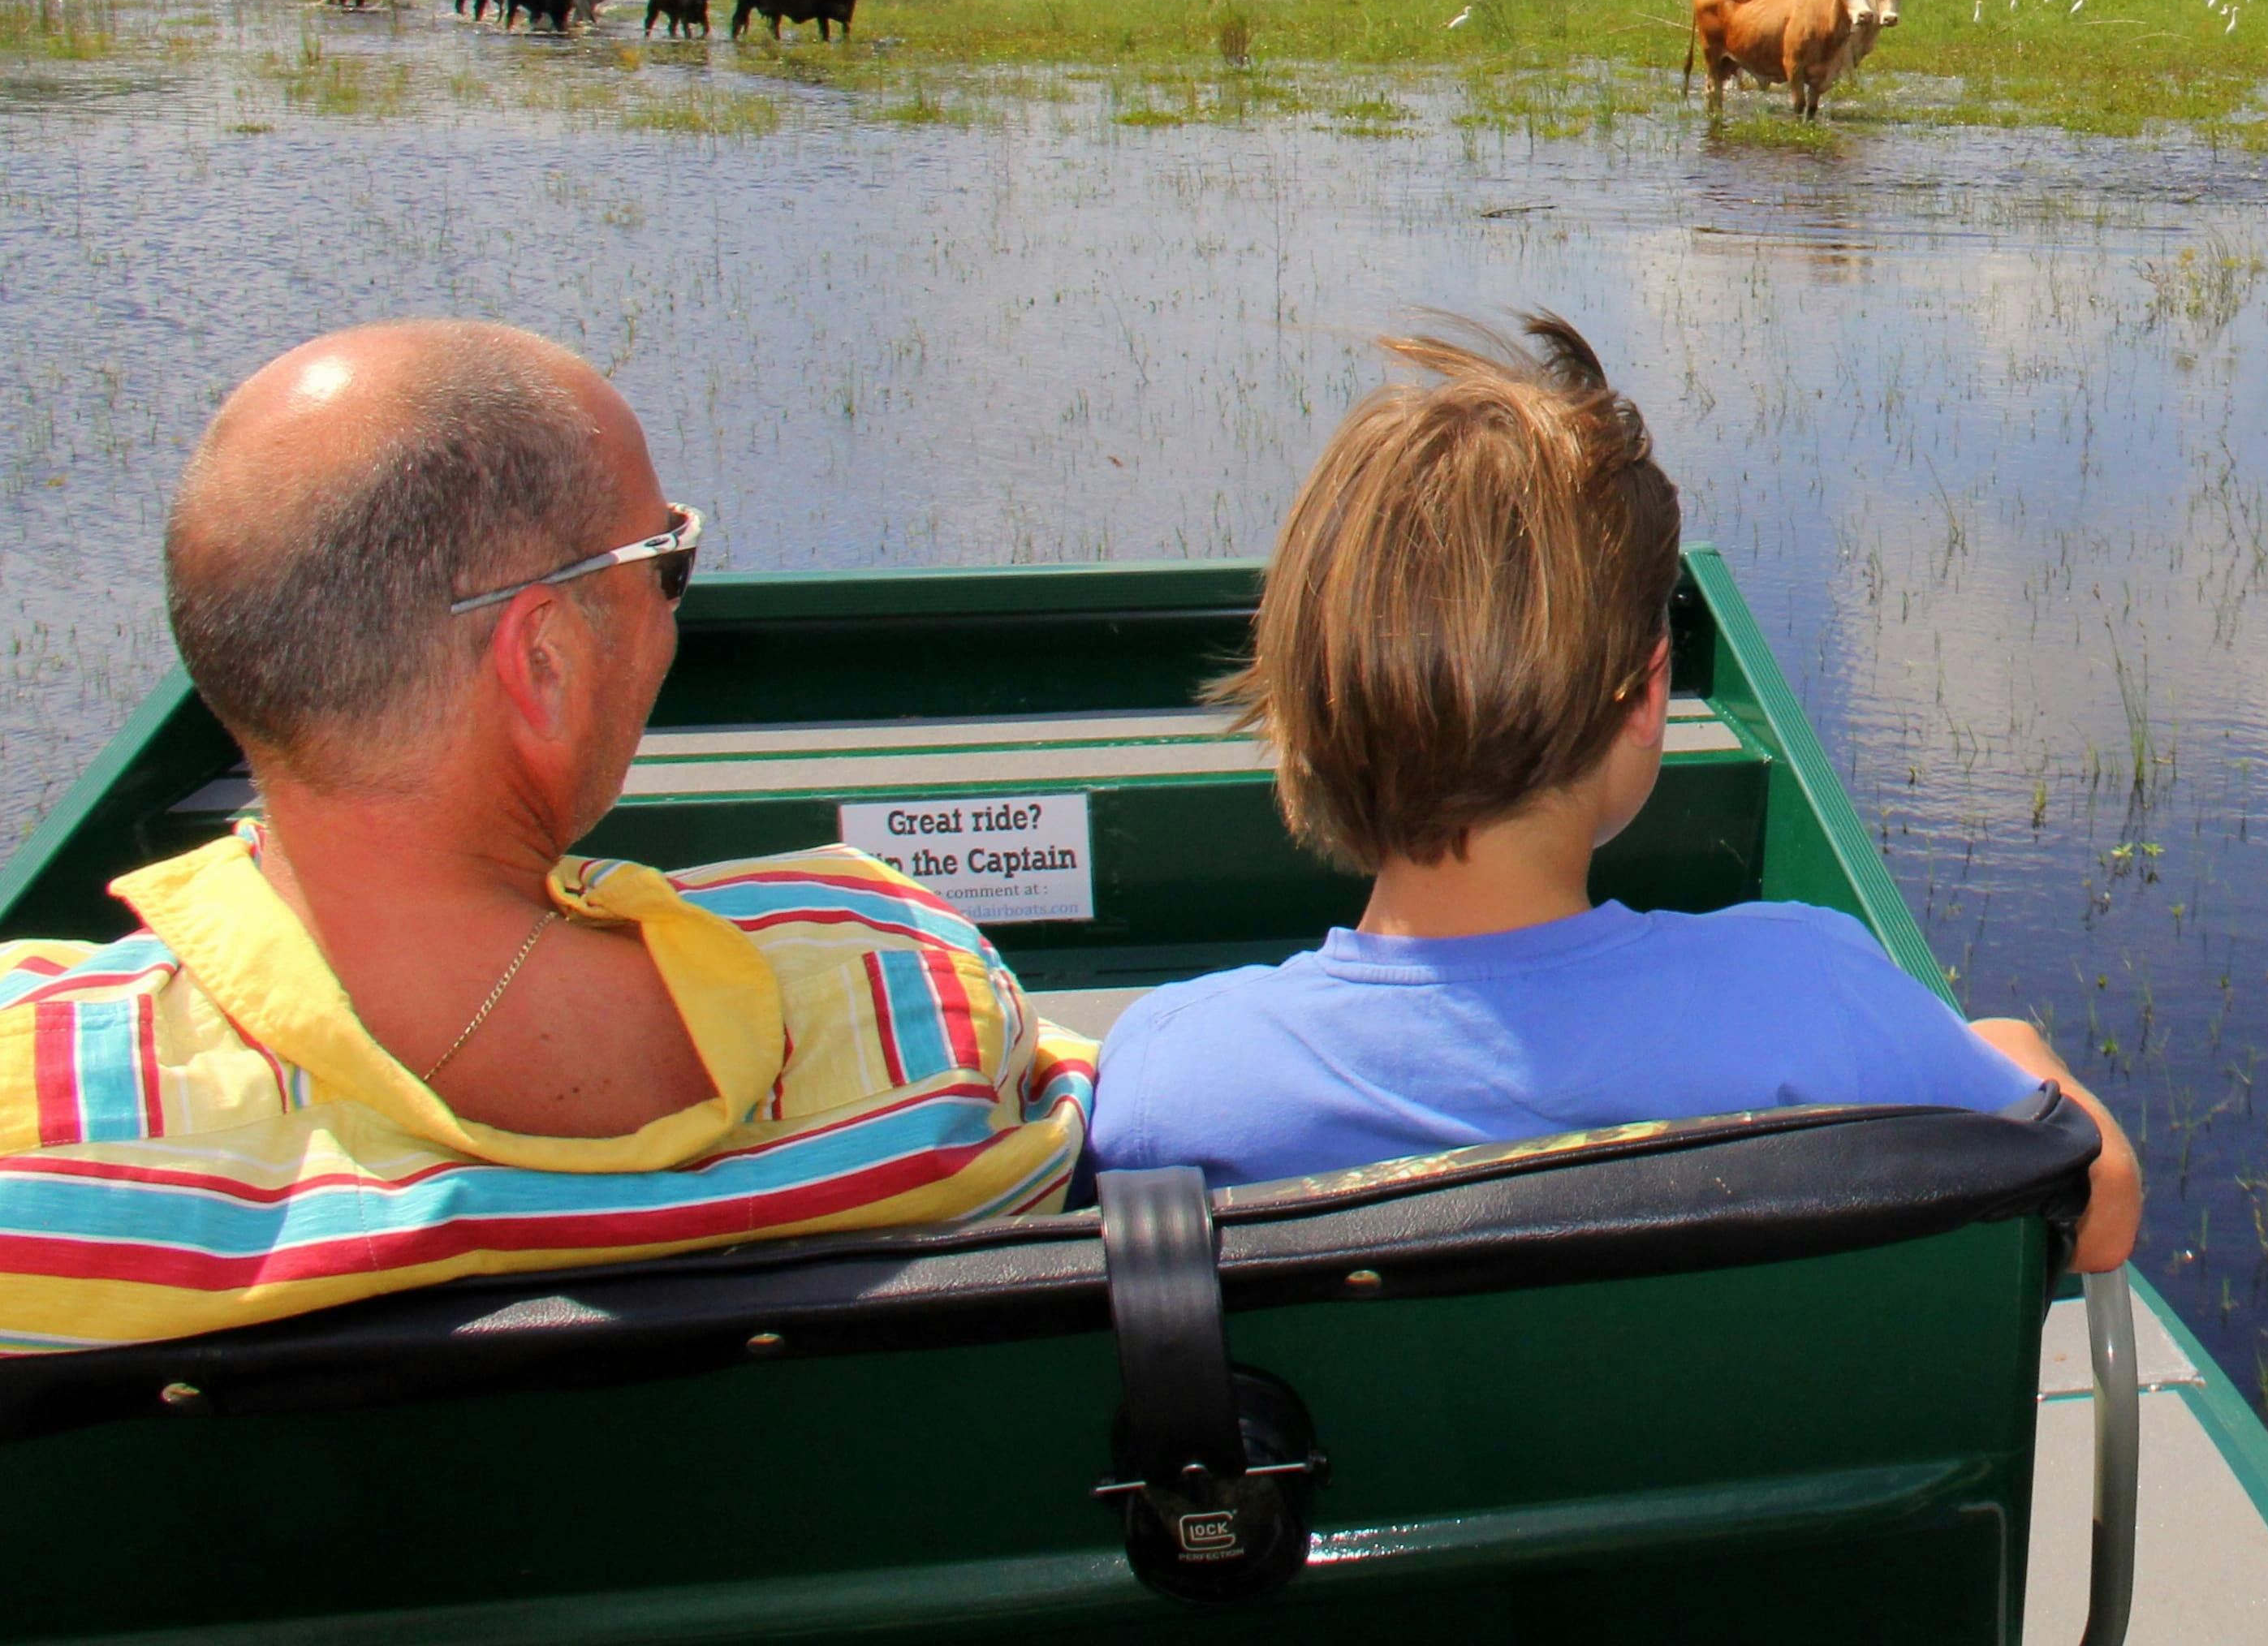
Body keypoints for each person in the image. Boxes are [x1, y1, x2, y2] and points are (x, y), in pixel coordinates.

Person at [0, 322, 1090, 1353]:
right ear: (545, 660)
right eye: (667, 560)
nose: (673, 611)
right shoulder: (902, 1010)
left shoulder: (37, 1122)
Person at [1091, 319, 2142, 1271]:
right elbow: (2100, 1209)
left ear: (1306, 699)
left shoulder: (1168, 1085)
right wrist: (2015, 1051)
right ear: (1646, 696)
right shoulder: (1818, 992)